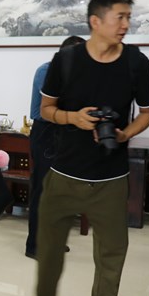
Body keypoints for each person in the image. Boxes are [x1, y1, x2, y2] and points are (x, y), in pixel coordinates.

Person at [17, 0, 149, 296]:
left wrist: (125, 134)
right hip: (63, 175)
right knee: (49, 253)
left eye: (128, 17)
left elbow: (148, 111)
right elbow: (46, 110)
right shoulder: (65, 61)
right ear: (96, 21)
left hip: (111, 180)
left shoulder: (137, 63)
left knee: (111, 256)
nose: (126, 24)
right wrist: (74, 118)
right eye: (120, 17)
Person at [25, 35, 85, 259]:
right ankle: (35, 245)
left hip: (65, 133)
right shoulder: (46, 71)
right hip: (46, 133)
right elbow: (53, 107)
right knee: (43, 191)